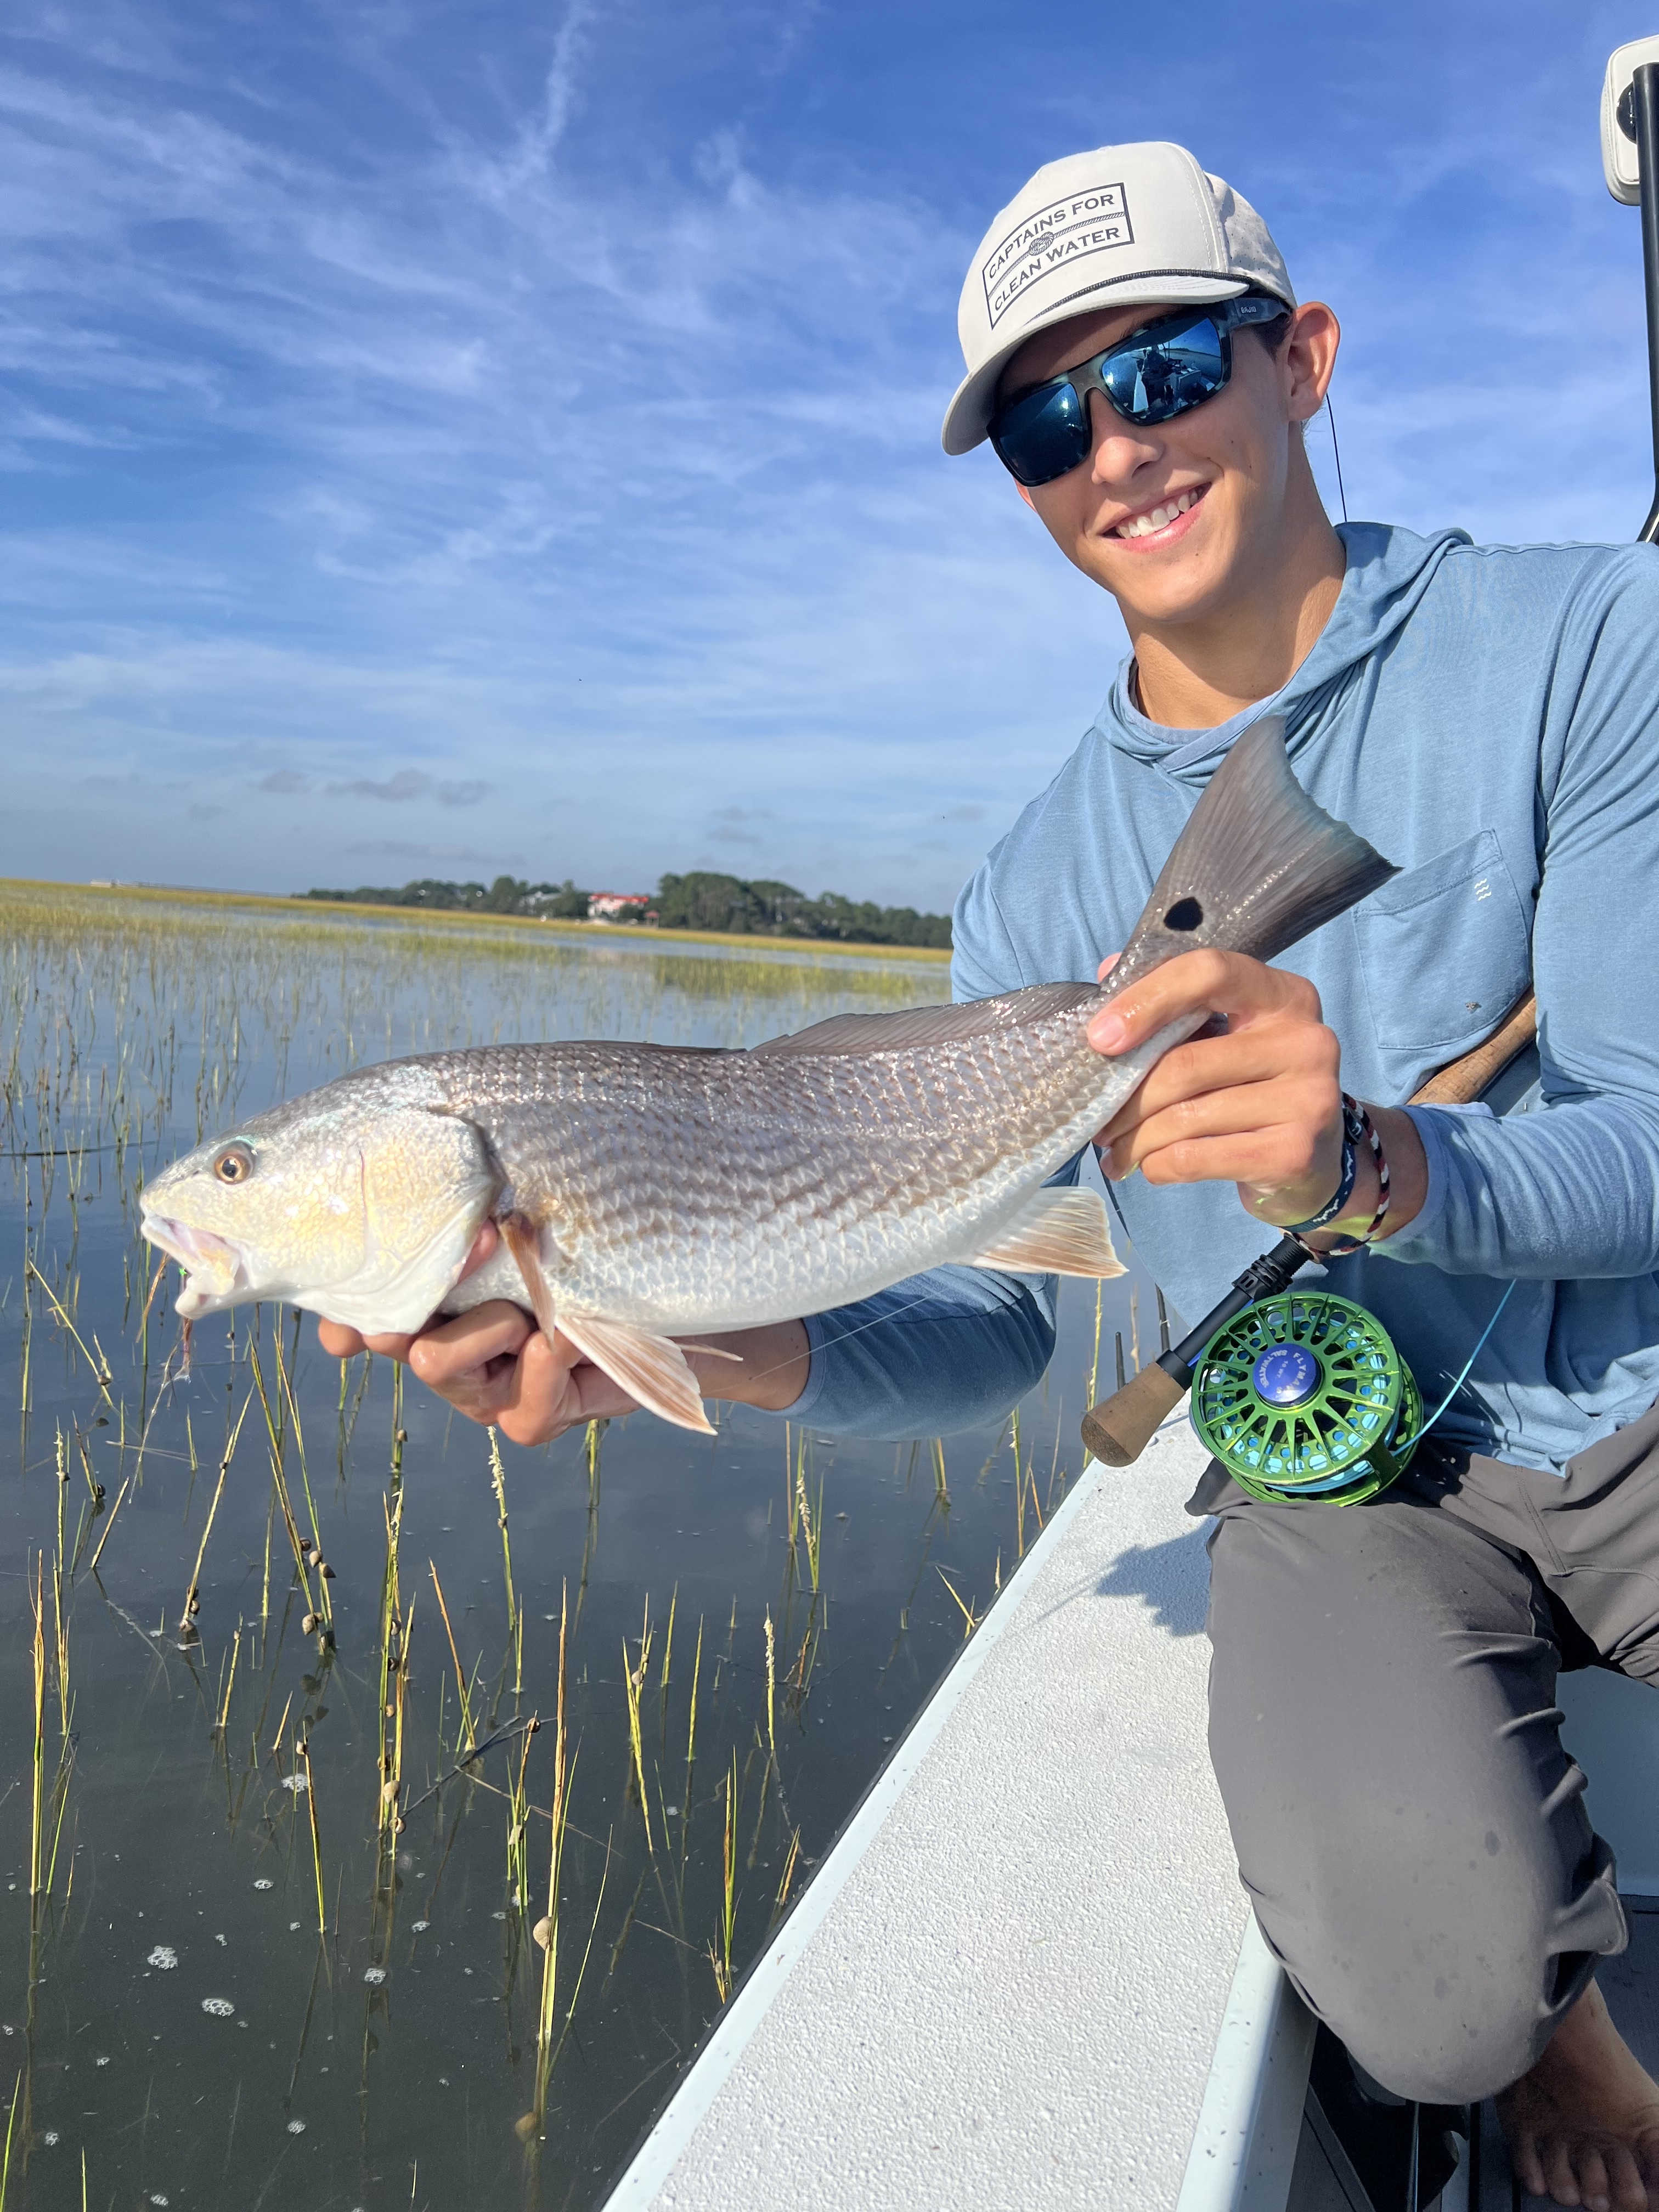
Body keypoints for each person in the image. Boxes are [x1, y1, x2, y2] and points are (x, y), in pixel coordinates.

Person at [319, 139, 1659, 2210]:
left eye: (1168, 371)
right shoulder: (1030, 886)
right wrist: (695, 1346)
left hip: (1638, 1401)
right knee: (1439, 2007)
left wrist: (1381, 1164)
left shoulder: (1584, 640)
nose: (1115, 449)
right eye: (1045, 421)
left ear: (1303, 359)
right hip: (1331, 1485)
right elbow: (987, 1327)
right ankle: (1554, 2010)